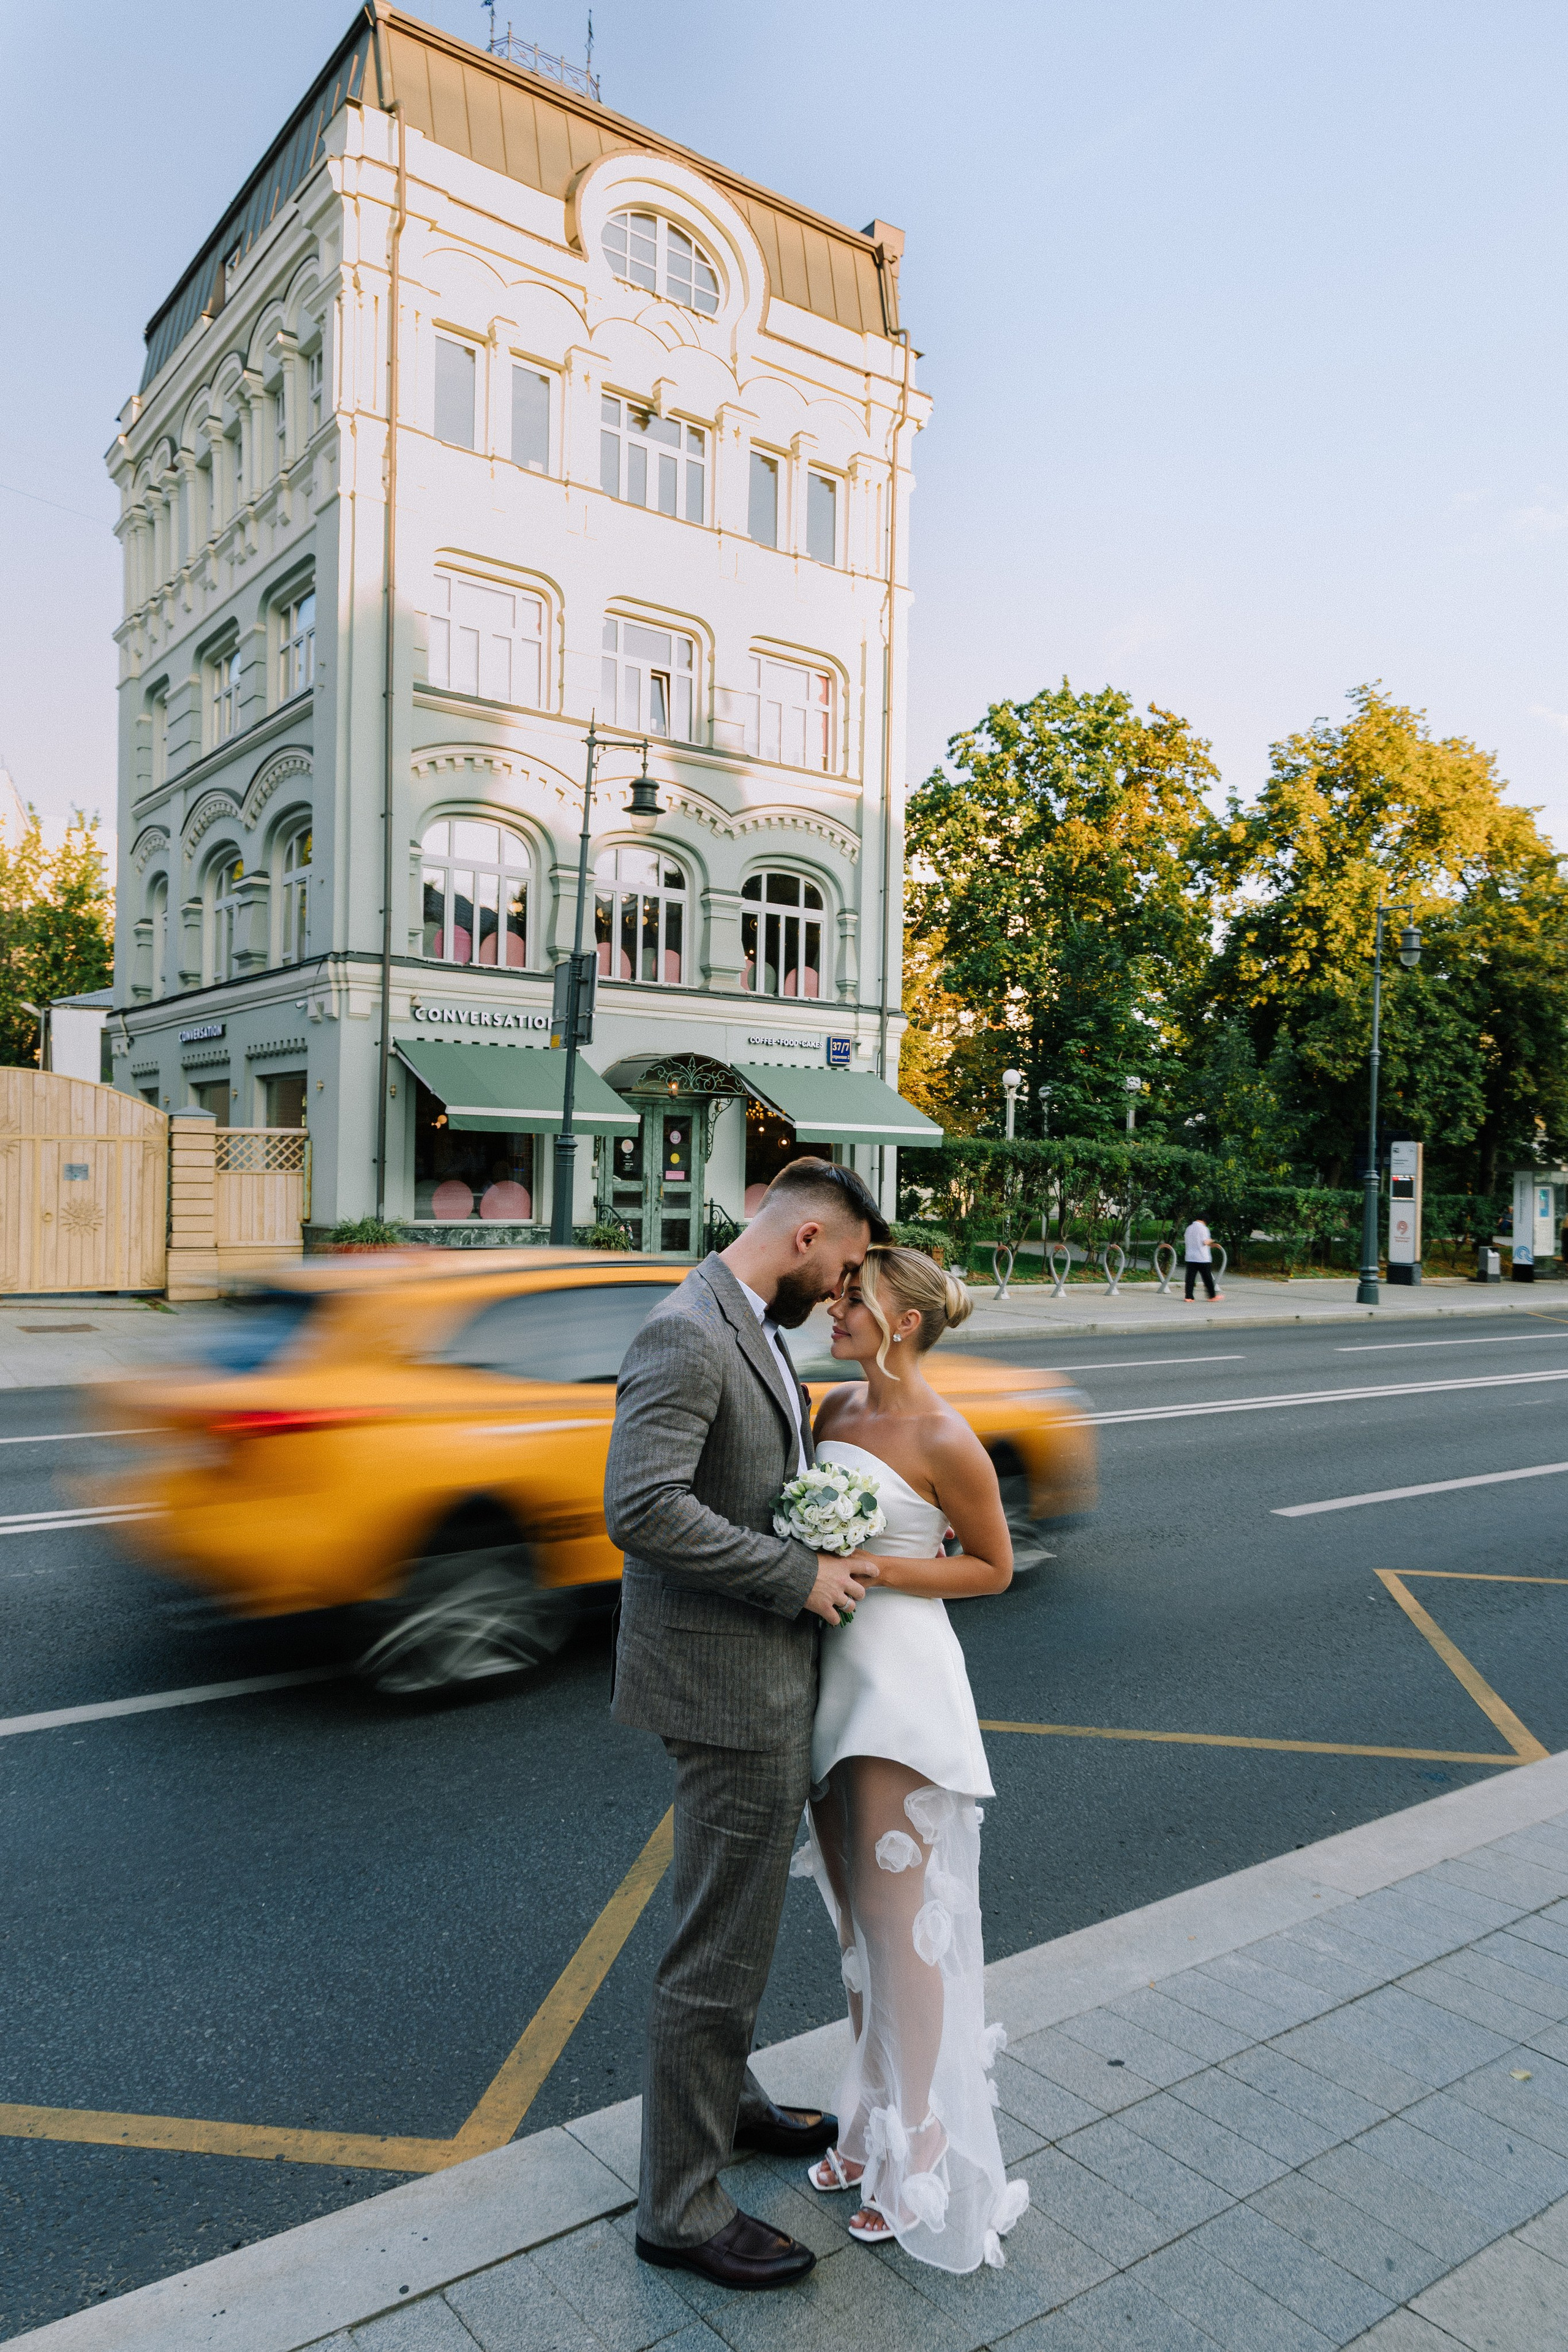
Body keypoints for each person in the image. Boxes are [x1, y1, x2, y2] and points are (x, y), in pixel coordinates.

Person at [605, 1157, 889, 2292]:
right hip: (726, 1687)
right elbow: (640, 1507)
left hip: (757, 1674)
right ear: (810, 1235)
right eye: (848, 1267)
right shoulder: (687, 1331)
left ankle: (729, 2105)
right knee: (715, 1949)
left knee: (736, 1924)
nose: (842, 1293)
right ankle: (677, 2208)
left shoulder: (756, 1325)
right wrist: (795, 1578)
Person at [794, 1245, 1030, 2272]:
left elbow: (993, 1568)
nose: (835, 1308)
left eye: (854, 1297)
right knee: (853, 1918)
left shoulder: (944, 1437)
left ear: (902, 1321)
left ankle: (924, 2135)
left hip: (899, 1686)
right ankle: (871, 2112)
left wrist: (875, 1563)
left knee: (903, 1925)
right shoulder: (831, 1412)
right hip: (827, 1680)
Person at [1183, 1214, 1223, 1301]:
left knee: (1190, 1278)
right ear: (1205, 1220)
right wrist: (1212, 1241)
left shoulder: (1189, 1228)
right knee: (1207, 1278)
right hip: (1202, 1257)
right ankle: (1212, 1296)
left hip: (1190, 1256)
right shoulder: (1204, 1229)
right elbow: (1205, 1242)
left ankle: (1189, 1297)